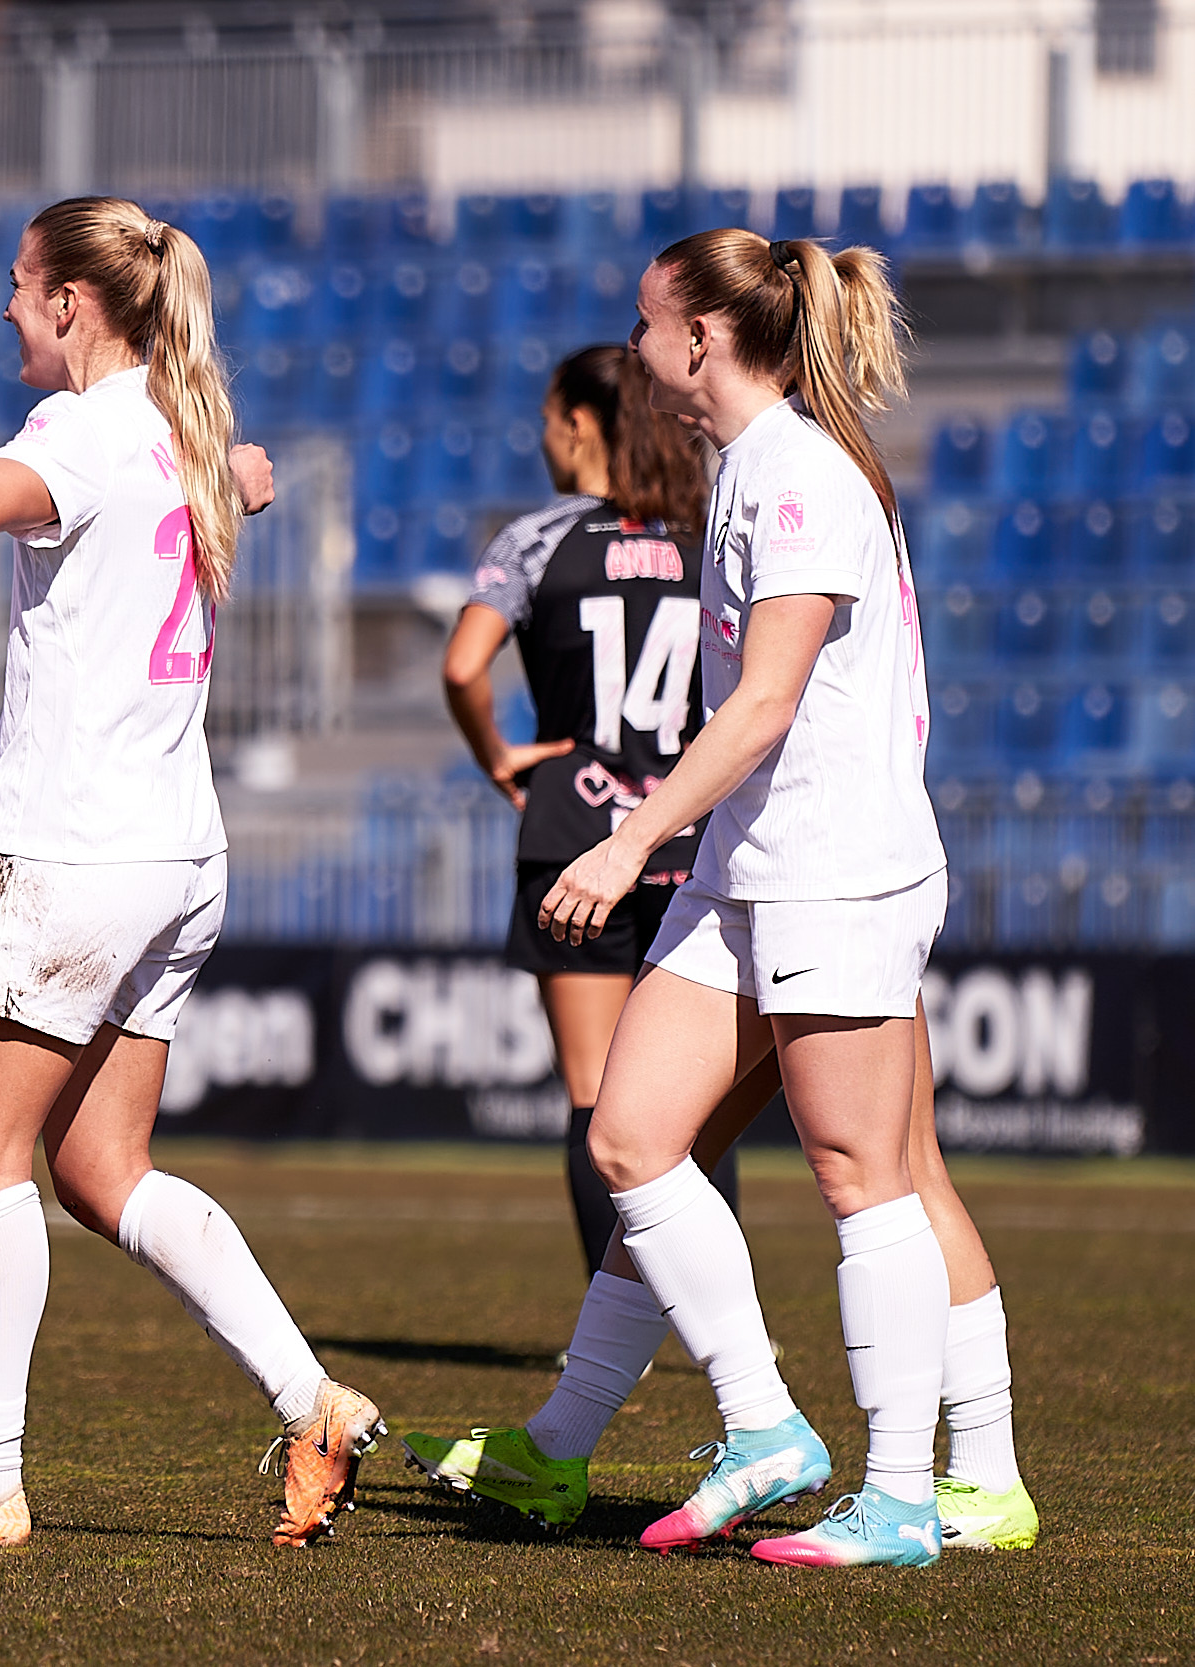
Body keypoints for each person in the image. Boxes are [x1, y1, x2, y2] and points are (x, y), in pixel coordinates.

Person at [0, 196, 378, 1552]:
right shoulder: (185, 427)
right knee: (105, 1167)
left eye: (18, 284)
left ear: (71, 305)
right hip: (179, 848)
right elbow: (226, 480)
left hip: (70, 848)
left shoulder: (82, 428)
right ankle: (314, 1400)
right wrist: (244, 474)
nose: (6, 306)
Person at [483, 228, 991, 1568]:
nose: (639, 344)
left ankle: (901, 1494)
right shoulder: (751, 467)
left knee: (857, 1173)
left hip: (835, 869)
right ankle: (766, 1421)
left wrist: (624, 841)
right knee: (634, 1136)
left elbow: (767, 700)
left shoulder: (802, 476)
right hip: (745, 871)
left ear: (698, 336)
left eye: (648, 321)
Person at [400, 1004, 1036, 1553]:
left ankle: (937, 1475)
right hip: (743, 885)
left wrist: (629, 852)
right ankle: (561, 1439)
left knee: (884, 1163)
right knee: (652, 1158)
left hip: (811, 887)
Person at [438, 342, 742, 1279]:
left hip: (577, 830)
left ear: (577, 423)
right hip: (690, 834)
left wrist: (496, 754)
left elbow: (461, 665)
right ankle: (709, 1310)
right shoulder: (709, 535)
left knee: (592, 1091)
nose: (544, 438)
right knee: (698, 1108)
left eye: (547, 421)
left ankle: (610, 1331)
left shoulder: (537, 540)